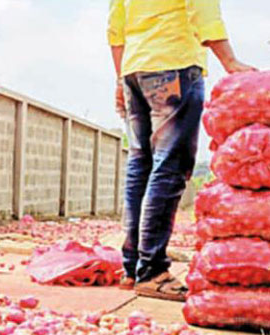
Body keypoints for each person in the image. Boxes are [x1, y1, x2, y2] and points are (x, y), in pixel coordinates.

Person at [107, 0, 254, 301]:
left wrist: (120, 79)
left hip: (135, 69)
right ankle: (152, 271)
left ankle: (132, 268)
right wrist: (230, 61)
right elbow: (203, 8)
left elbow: (115, 29)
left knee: (142, 165)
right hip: (172, 63)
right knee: (169, 165)